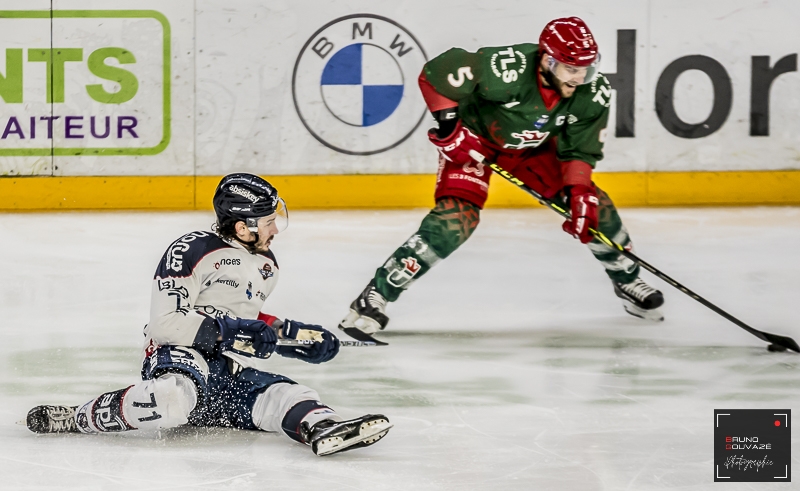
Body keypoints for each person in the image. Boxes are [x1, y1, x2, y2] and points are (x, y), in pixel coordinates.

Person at [339, 17, 664, 343]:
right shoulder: (506, 68)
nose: (581, 78)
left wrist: (579, 192)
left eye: (587, 69)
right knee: (455, 221)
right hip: (473, 142)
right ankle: (374, 296)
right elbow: (436, 73)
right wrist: (451, 129)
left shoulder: (592, 92)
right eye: (571, 69)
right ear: (546, 61)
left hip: (533, 149)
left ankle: (626, 278)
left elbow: (579, 149)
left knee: (595, 208)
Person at [26, 173, 392, 456]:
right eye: (267, 221)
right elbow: (165, 324)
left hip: (223, 366)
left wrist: (290, 336)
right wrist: (233, 331)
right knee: (172, 399)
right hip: (178, 355)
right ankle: (78, 417)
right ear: (241, 227)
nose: (275, 228)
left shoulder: (266, 264)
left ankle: (321, 428)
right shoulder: (192, 250)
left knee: (282, 393)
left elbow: (243, 318)